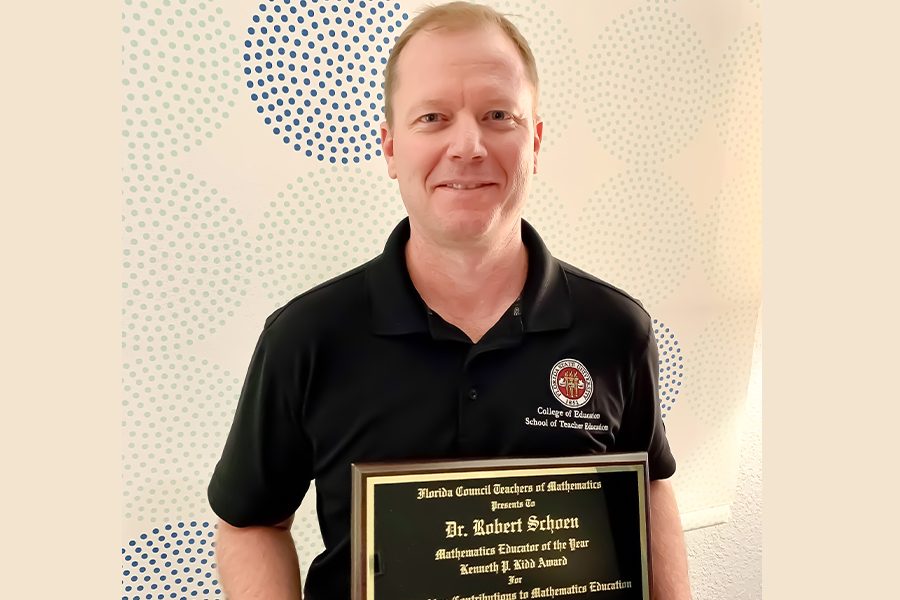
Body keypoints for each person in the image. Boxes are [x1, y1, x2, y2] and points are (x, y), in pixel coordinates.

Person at [207, 3, 692, 599]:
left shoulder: (617, 329)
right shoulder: (305, 338)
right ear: (390, 148)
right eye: (433, 117)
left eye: (498, 115)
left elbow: (648, 488)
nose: (468, 145)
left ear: (534, 142)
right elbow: (252, 521)